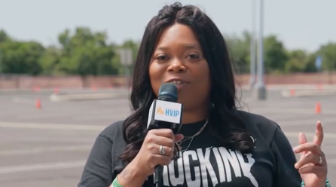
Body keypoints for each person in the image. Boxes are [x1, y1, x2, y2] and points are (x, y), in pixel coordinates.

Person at [78, 2, 329, 187]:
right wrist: (135, 171)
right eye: (162, 57)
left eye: (192, 56)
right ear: (147, 68)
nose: (176, 65)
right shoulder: (115, 140)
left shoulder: (263, 133)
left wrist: (316, 184)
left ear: (214, 66)